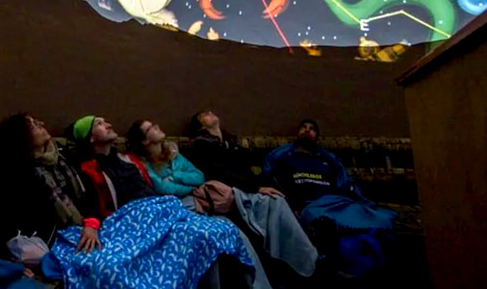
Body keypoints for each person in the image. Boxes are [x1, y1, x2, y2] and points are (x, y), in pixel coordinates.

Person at [59, 115, 255, 288]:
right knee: (110, 266)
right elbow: (91, 199)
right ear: (91, 138)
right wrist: (91, 224)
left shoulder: (127, 159)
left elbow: (154, 189)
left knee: (219, 231)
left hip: (157, 210)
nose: (108, 124)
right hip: (130, 220)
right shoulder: (88, 167)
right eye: (99, 124)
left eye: (105, 121)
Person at [129, 119, 318, 282]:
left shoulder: (174, 156)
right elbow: (163, 188)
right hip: (185, 208)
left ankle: (303, 264)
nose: (157, 126)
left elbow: (198, 176)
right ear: (145, 140)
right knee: (228, 234)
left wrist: (176, 176)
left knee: (263, 209)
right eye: (151, 127)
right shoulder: (144, 164)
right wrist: (185, 186)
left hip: (208, 200)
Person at [263, 119, 396, 277]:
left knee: (381, 219)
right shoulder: (282, 156)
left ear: (317, 136)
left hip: (333, 203)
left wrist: (359, 201)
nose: (307, 131)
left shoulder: (328, 159)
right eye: (303, 128)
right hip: (305, 206)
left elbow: (344, 185)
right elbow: (267, 177)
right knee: (318, 221)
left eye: (312, 129)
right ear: (297, 133)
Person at [0, 114, 102, 255]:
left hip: (90, 228)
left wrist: (91, 224)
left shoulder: (64, 157)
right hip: (59, 243)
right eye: (34, 125)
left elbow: (91, 195)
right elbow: (12, 225)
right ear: (21, 138)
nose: (42, 123)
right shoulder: (18, 177)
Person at [189, 109, 282, 198]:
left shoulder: (230, 142)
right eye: (205, 115)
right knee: (273, 200)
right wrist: (256, 188)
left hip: (248, 184)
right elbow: (220, 173)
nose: (210, 112)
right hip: (232, 188)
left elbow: (248, 158)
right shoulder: (202, 145)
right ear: (202, 126)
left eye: (209, 112)